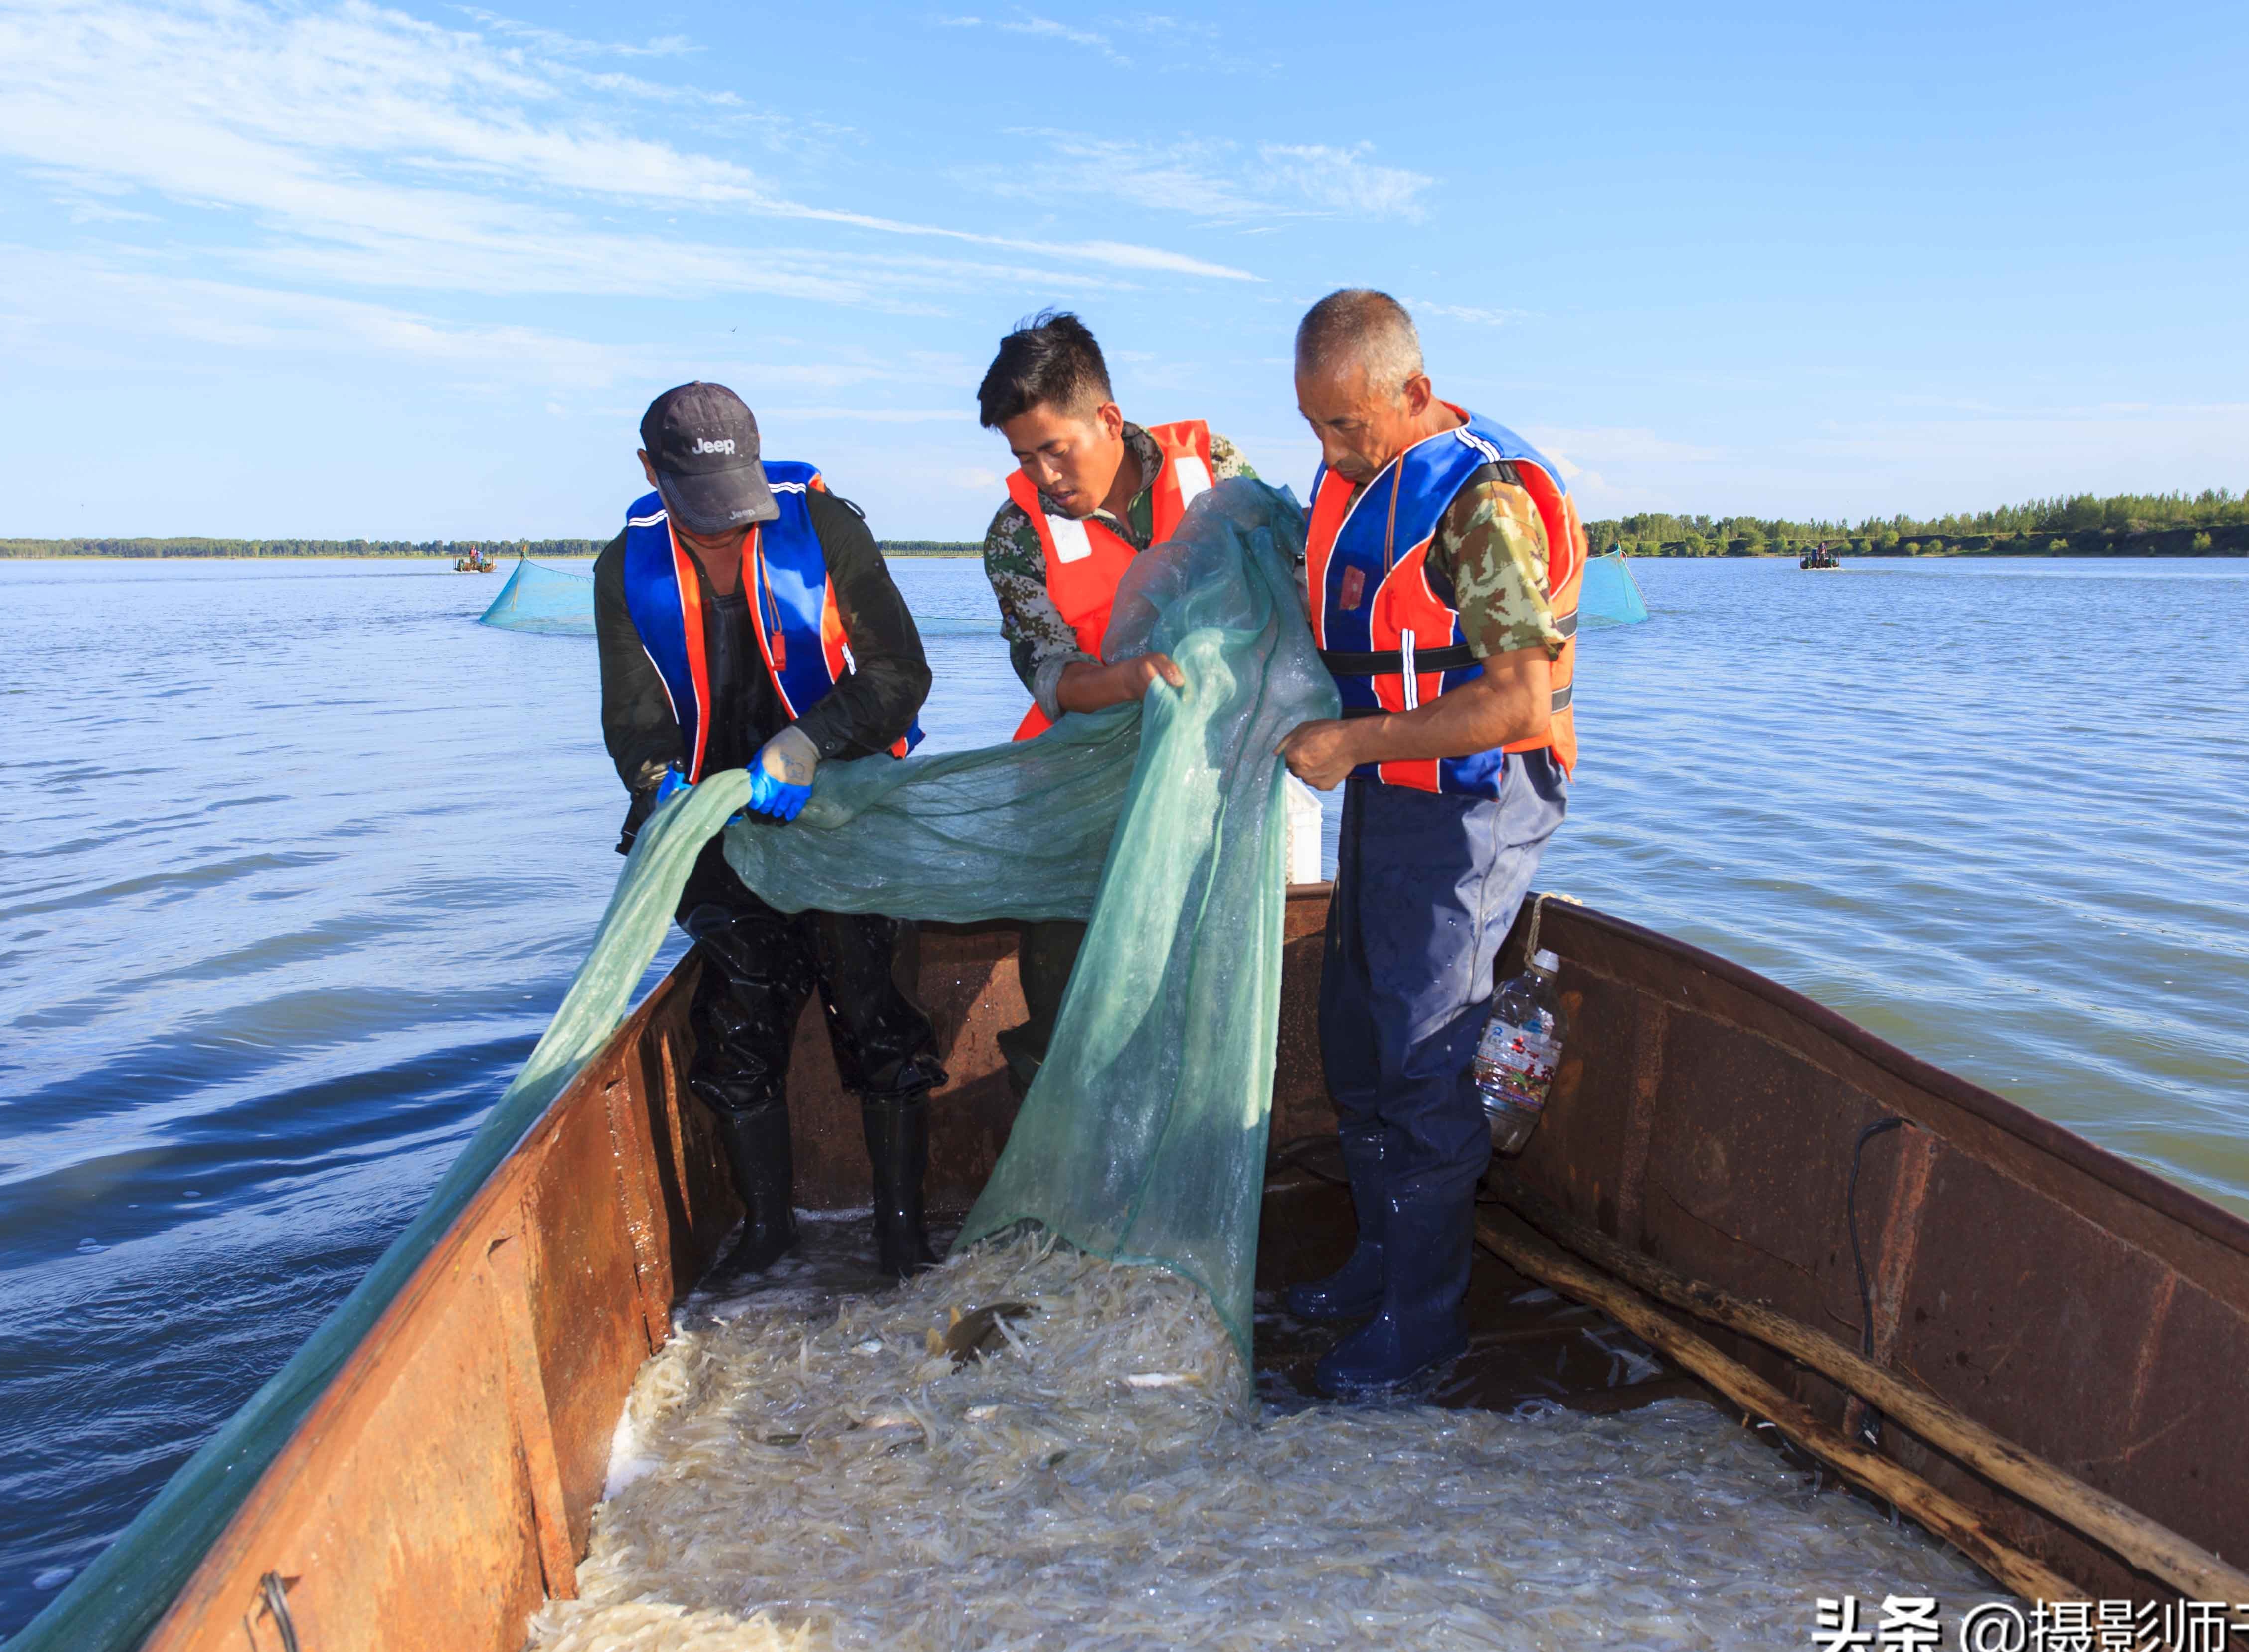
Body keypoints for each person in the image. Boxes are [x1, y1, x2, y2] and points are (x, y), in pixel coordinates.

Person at [1275, 290, 1584, 1396]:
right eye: (1313, 426)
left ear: (1413, 391)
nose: (1330, 452)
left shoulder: (1479, 507)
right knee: (1357, 1030)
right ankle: (1379, 1263)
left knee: (1424, 1050)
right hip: (1392, 786)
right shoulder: (1359, 473)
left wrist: (1352, 743)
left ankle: (1424, 1320)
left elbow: (1517, 703)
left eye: (1346, 426)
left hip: (1474, 800)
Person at [593, 381, 946, 1282]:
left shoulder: (829, 529)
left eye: (736, 508)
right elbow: (634, 725)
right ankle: (767, 1234)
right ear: (650, 474)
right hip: (722, 834)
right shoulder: (621, 569)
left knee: (877, 1014)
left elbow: (901, 675)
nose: (723, 530)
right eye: (701, 512)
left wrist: (809, 741)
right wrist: (664, 786)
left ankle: (902, 1235)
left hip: (846, 806)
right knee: (734, 1025)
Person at [974, 309, 1257, 1089]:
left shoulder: (1217, 472)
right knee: (1066, 1001)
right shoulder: (1016, 536)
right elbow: (1053, 677)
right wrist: (1132, 682)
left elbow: (1287, 589)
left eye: (1056, 450)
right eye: (1024, 458)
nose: (1045, 478)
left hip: (1207, 781)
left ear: (1107, 418)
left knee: (1201, 997)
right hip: (1071, 792)